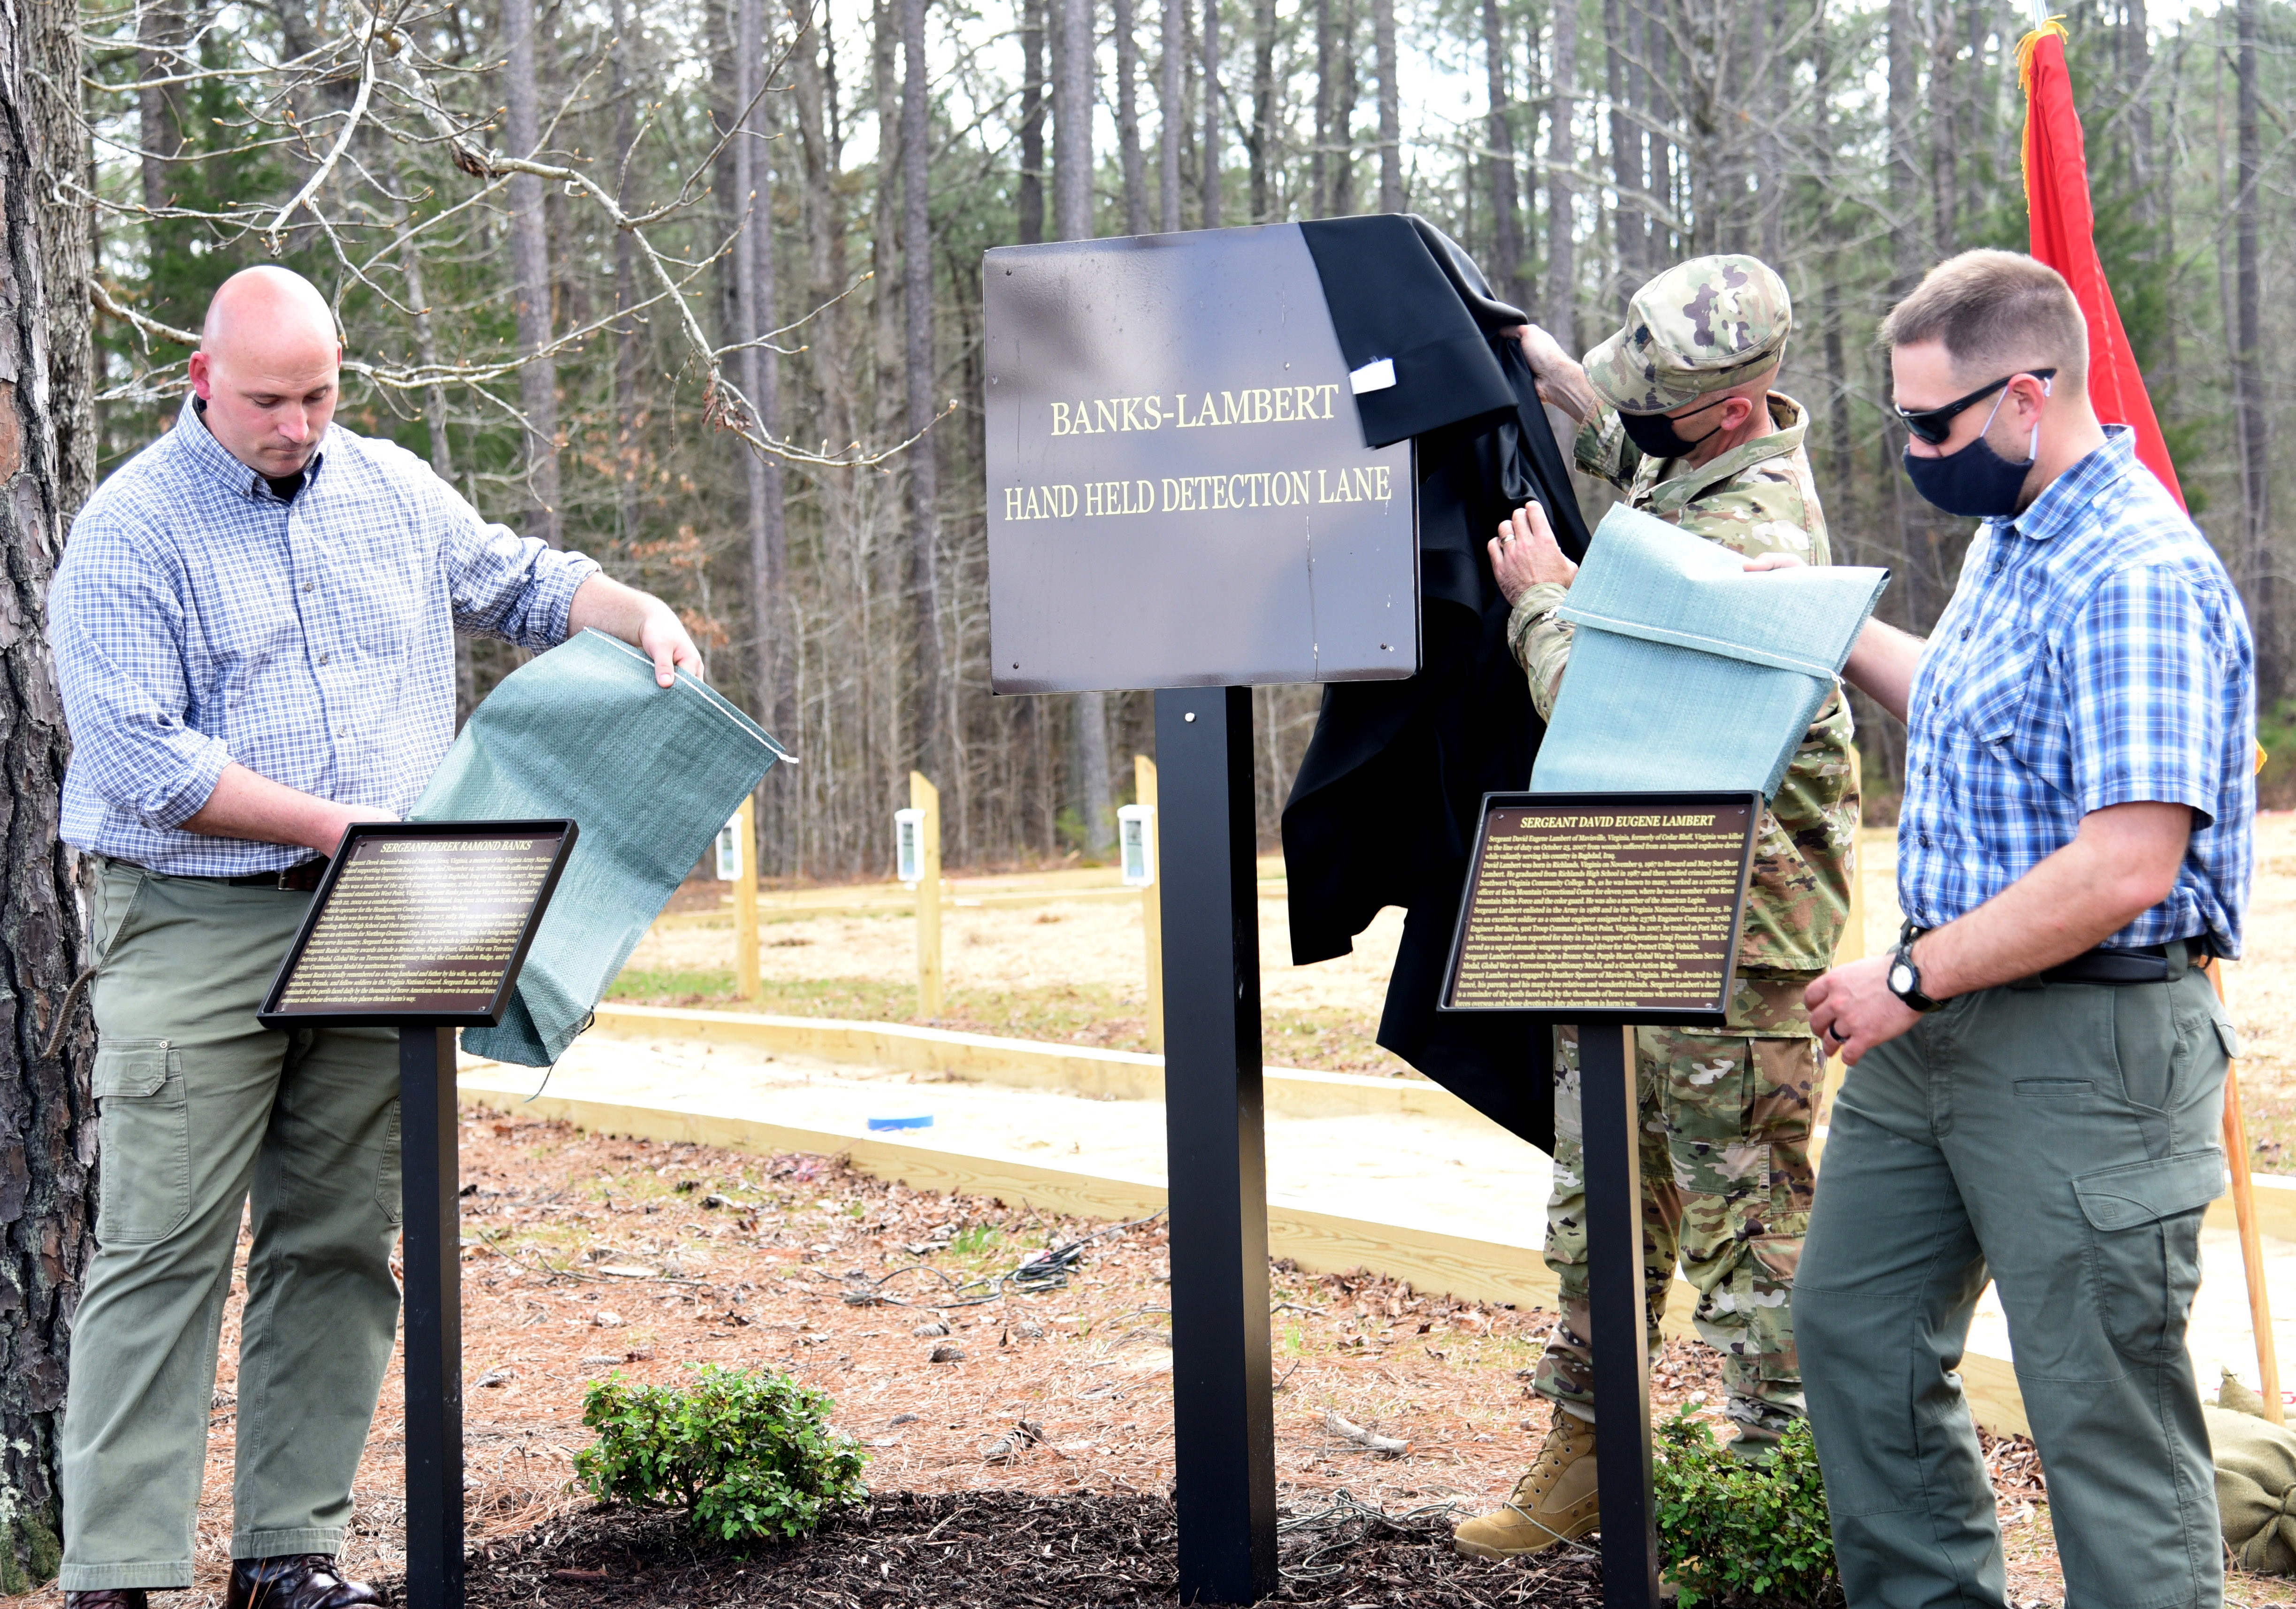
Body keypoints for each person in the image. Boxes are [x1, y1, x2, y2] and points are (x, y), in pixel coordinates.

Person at [47, 266, 703, 1609]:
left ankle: (286, 1554)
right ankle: (115, 1571)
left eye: (320, 394)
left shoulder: (392, 489)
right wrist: (330, 825)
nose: (297, 424)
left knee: (340, 1238)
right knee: (163, 1244)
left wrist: (635, 612)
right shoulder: (130, 531)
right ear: (201, 382)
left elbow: (519, 580)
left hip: (388, 913)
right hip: (195, 915)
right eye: (269, 401)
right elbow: (141, 759)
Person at [1793, 249, 2253, 1609]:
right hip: (1940, 1028)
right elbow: (1965, 698)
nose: (1916, 449)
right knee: (1857, 1330)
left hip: (2086, 1044)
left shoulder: (2134, 568)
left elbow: (2122, 862)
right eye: (1900, 420)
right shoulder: (2016, 533)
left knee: (2097, 1414)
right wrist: (1816, 626)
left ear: (2025, 396)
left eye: (1931, 423)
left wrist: (1904, 976)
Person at [1451, 254, 1857, 1560]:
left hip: (1740, 926)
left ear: (1735, 409)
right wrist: (1554, 373)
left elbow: (1631, 718)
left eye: (1655, 399)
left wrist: (1538, 608)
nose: (1631, 414)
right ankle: (1584, 1449)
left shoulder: (1753, 540)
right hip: (1629, 887)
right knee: (1598, 1200)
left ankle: (1780, 1499)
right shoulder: (1691, 462)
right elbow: (1633, 459)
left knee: (1751, 1224)